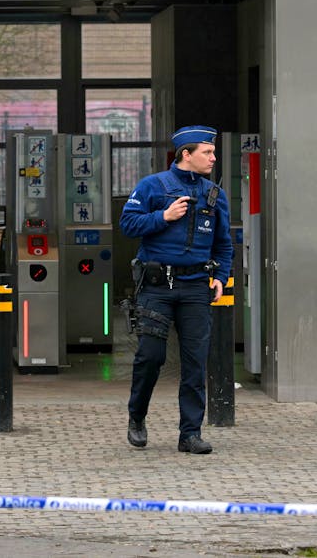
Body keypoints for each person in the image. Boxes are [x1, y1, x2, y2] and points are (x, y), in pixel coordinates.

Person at [119, 125, 233, 455]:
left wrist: (220, 277)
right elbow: (128, 224)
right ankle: (137, 417)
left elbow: (224, 244)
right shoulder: (152, 186)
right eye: (207, 152)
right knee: (150, 357)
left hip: (197, 287)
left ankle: (190, 433)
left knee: (195, 363)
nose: (213, 157)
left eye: (213, 152)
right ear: (186, 154)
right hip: (156, 287)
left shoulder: (215, 194)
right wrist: (163, 216)